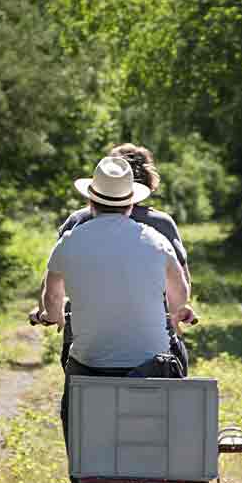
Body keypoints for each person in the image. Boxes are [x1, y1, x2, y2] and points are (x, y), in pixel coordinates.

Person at [33, 156, 192, 483]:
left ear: (91, 201)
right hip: (149, 363)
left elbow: (52, 301)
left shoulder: (70, 241)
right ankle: (154, 482)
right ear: (132, 203)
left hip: (91, 363)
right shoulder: (154, 239)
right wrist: (176, 311)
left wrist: (50, 318)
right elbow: (180, 295)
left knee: (73, 411)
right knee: (172, 378)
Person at [51, 143, 196, 374]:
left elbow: (52, 289)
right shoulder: (160, 227)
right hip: (150, 356)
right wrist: (179, 310)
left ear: (92, 196)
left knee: (76, 390)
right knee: (175, 359)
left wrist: (52, 314)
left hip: (88, 356)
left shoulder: (76, 224)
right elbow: (182, 289)